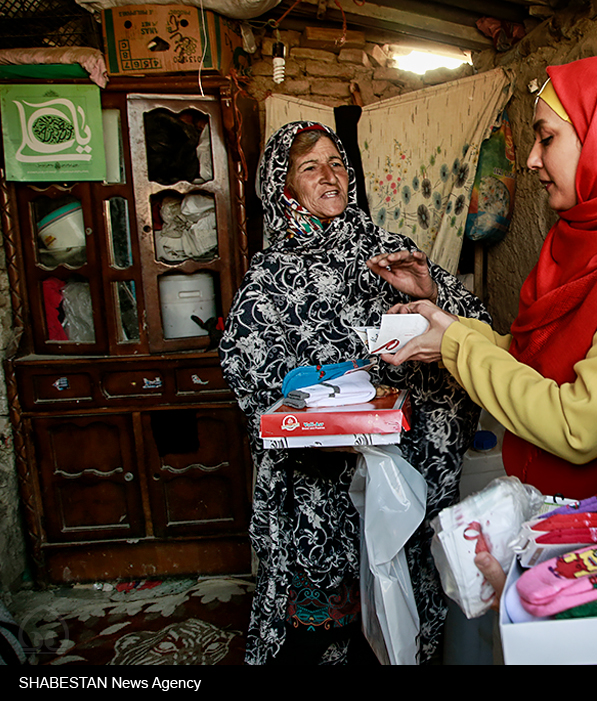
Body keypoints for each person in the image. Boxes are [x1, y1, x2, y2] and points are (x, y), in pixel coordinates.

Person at [373, 56, 597, 504]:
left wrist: (457, 344)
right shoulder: (582, 241)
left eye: (547, 138)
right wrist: (445, 329)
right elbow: (532, 359)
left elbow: (579, 427)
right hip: (553, 515)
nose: (532, 160)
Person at [218, 122, 489, 665]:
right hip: (318, 473)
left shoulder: (389, 253)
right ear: (284, 186)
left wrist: (432, 291)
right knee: (330, 611)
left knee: (405, 594)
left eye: (337, 164)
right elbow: (244, 366)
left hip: (402, 463)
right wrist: (310, 419)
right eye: (310, 167)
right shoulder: (271, 277)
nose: (330, 177)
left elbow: (475, 330)